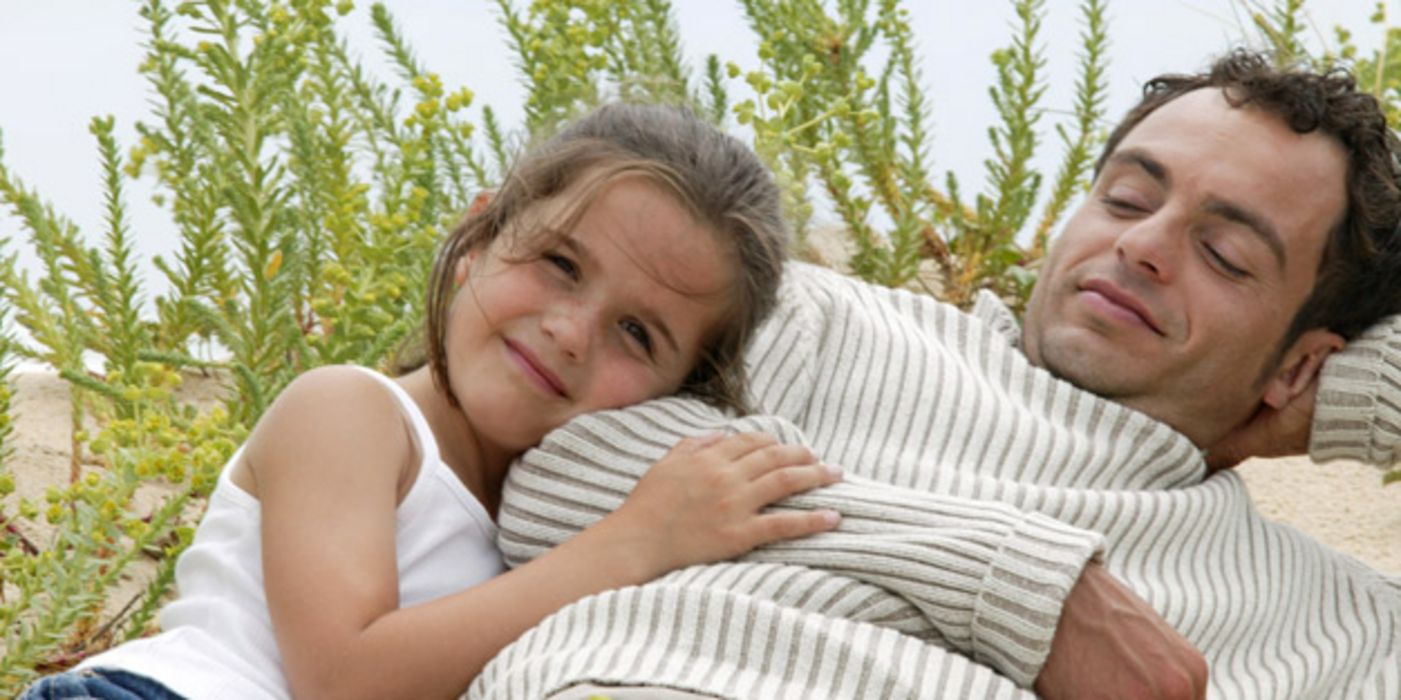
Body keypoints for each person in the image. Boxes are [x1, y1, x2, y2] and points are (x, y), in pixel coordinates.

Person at [468, 51, 1401, 699]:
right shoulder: (816, 319)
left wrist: (1344, 399)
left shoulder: (1338, 624)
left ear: (1305, 359)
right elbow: (558, 475)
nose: (1144, 246)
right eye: (1126, 195)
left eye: (1227, 255)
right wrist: (1018, 584)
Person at [18, 104, 845, 700]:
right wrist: (634, 543)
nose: (570, 330)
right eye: (560, 263)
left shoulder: (543, 527)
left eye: (637, 332)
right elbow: (343, 680)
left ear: (680, 393)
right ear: (476, 240)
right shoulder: (350, 412)